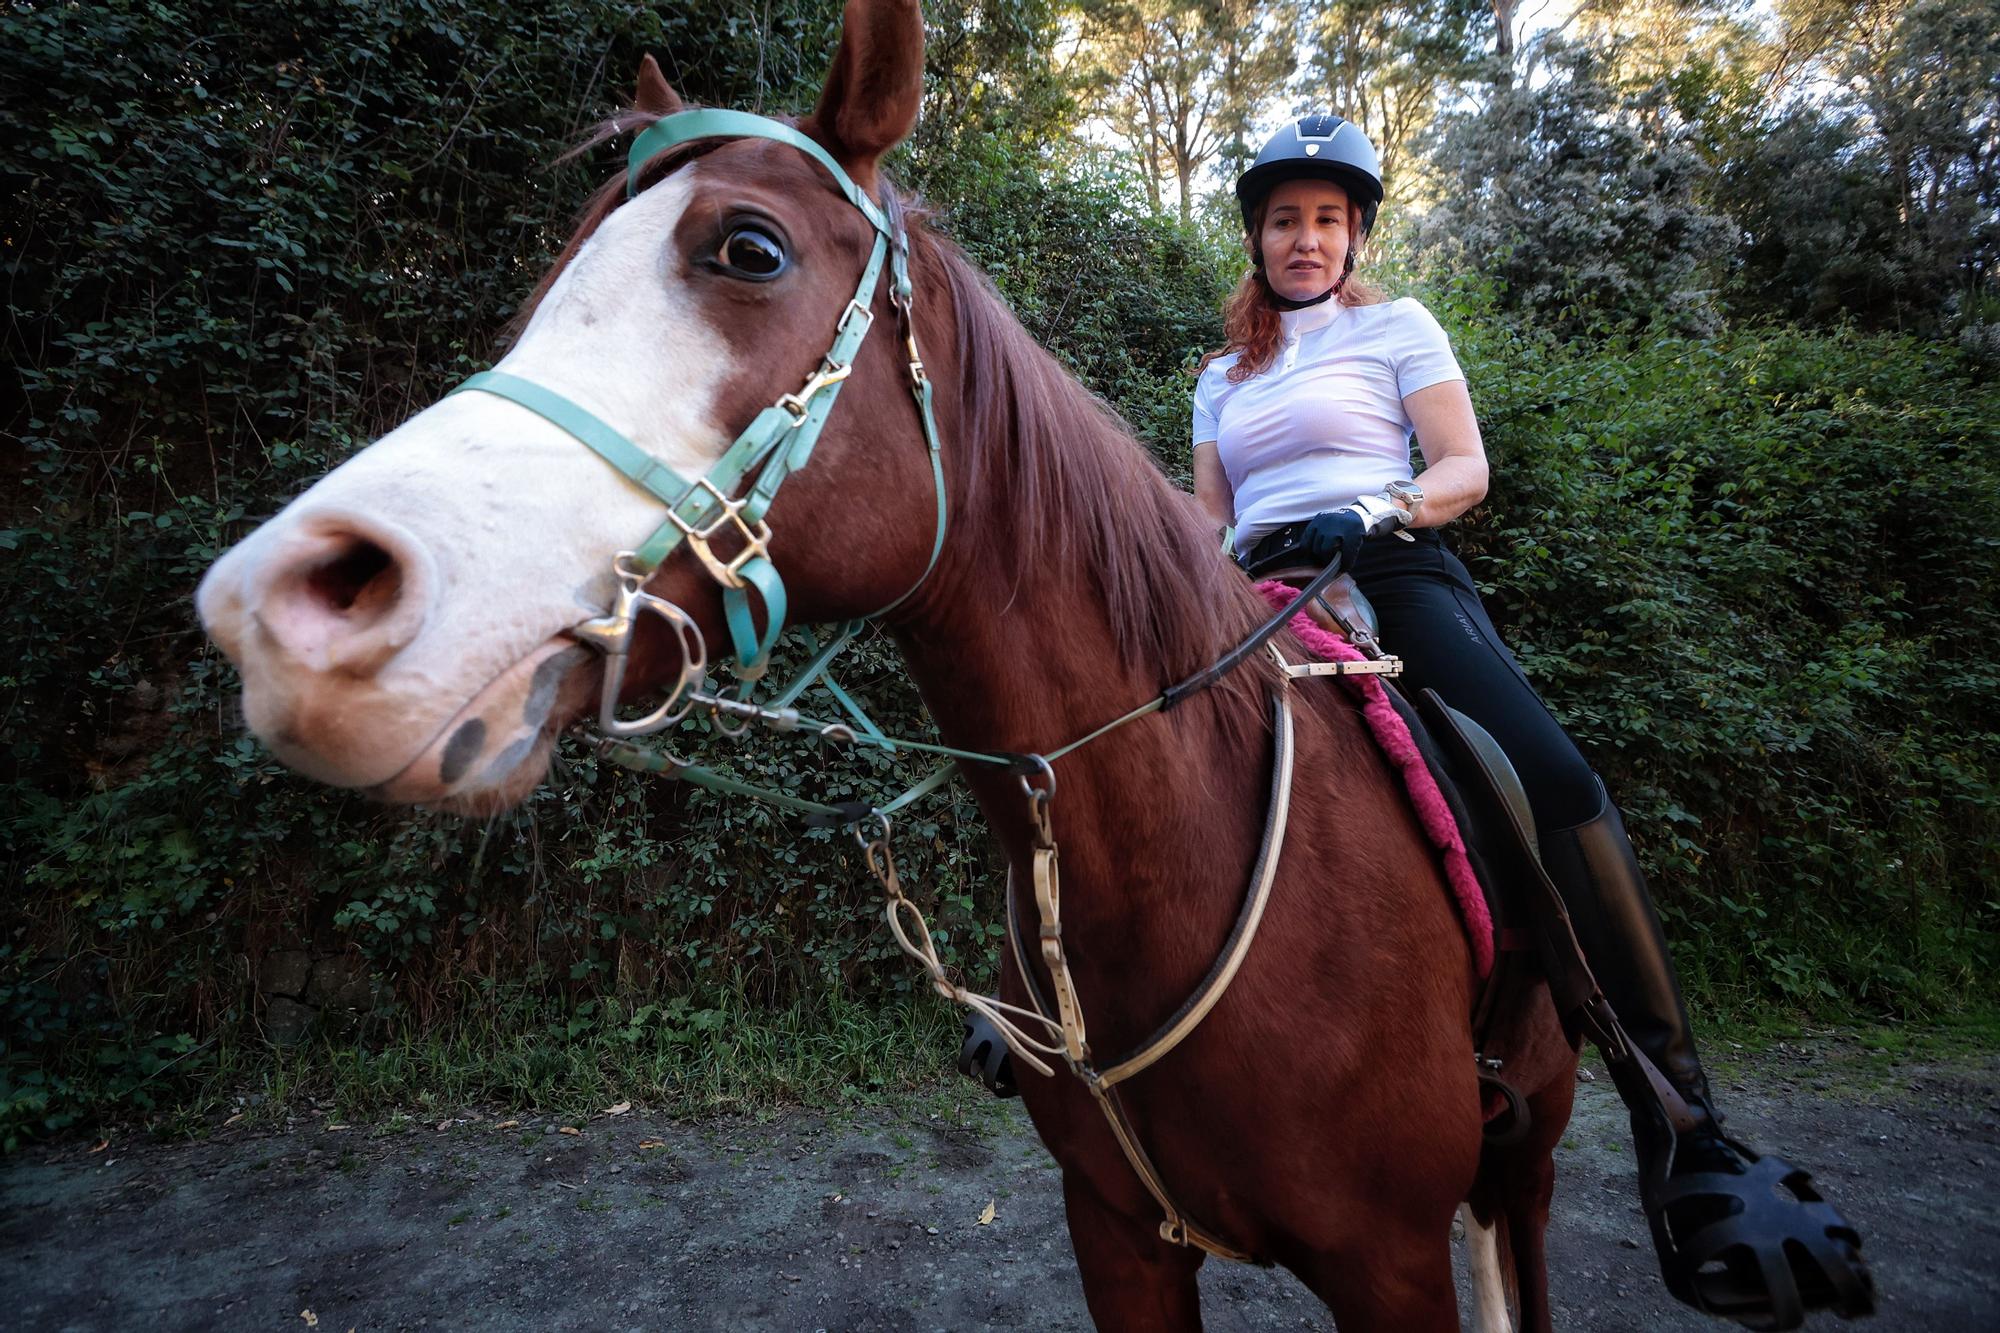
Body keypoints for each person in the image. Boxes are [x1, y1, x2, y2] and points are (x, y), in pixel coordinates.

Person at [1187, 113, 1873, 1329]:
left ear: (1353, 237)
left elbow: (1463, 467)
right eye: (1284, 219)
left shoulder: (1394, 327)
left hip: (1388, 574)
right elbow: (1201, 523)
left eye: (1326, 219)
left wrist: (1381, 510)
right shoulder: (1219, 374)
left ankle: (1685, 1123)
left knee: (1549, 778)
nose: (1304, 238)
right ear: (1256, 235)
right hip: (1249, 604)